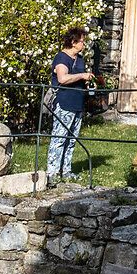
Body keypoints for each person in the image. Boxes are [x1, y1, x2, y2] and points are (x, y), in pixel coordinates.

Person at [47, 25, 96, 178]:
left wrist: (87, 82)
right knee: (59, 138)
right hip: (64, 102)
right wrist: (82, 76)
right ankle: (52, 172)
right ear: (74, 42)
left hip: (77, 103)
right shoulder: (61, 58)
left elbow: (77, 78)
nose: (84, 44)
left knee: (72, 139)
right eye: (82, 41)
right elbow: (62, 78)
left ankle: (66, 171)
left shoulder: (79, 59)